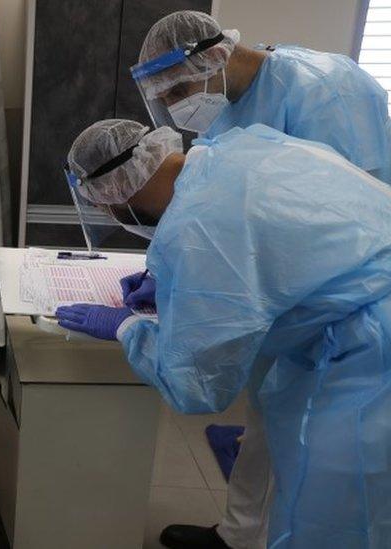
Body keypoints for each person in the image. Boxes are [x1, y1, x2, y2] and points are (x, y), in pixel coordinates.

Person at [61, 119, 391, 549]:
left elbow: (196, 382)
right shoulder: (232, 152)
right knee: (276, 438)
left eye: (101, 206)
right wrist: (175, 282)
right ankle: (240, 537)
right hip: (350, 309)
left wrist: (125, 326)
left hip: (370, 355)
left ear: (114, 196)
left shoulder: (199, 230)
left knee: (338, 512)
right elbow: (280, 245)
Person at [131, 10, 391, 183]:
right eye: (164, 100)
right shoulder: (219, 105)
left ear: (215, 57)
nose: (177, 108)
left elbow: (349, 200)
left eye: (179, 91)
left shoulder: (323, 90)